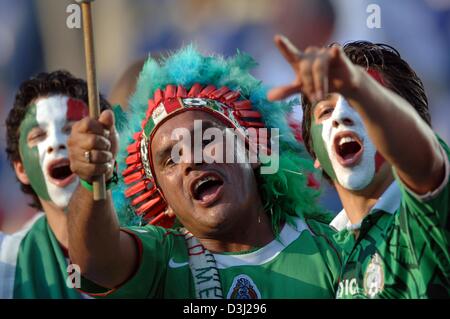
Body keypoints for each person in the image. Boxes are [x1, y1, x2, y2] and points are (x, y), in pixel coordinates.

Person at [66, 46, 342, 299]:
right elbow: (91, 262)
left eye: (206, 140)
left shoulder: (334, 250)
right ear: (164, 201)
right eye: (170, 160)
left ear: (253, 150)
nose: (190, 162)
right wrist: (92, 181)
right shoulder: (160, 262)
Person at [268, 35, 449, 298]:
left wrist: (357, 85)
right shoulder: (322, 252)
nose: (341, 116)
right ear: (313, 152)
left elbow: (425, 160)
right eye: (326, 111)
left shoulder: (430, 208)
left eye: (359, 103)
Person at [0, 70, 111, 298]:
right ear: (21, 168)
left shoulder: (155, 244)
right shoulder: (6, 265)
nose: (56, 144)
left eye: (70, 130)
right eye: (39, 136)